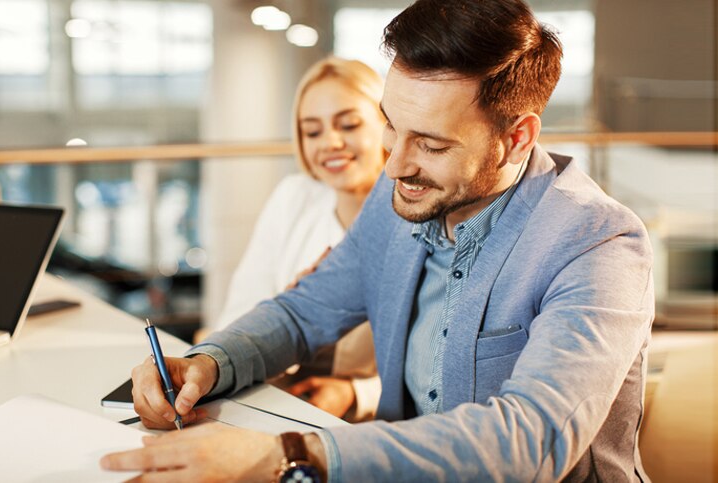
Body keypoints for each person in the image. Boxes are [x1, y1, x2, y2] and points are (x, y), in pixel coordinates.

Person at [101, 0, 655, 481]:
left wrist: (289, 456)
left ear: (516, 139)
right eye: (391, 125)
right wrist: (211, 362)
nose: (393, 165)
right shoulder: (400, 203)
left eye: (431, 145)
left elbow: (530, 441)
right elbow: (303, 312)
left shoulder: (599, 244)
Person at [209, 56, 386, 420]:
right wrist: (290, 305)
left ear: (388, 124)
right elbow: (237, 316)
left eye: (349, 124)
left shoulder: (418, 214)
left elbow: (436, 367)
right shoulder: (295, 197)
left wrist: (356, 394)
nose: (331, 143)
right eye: (312, 131)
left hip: (373, 421)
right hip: (275, 399)